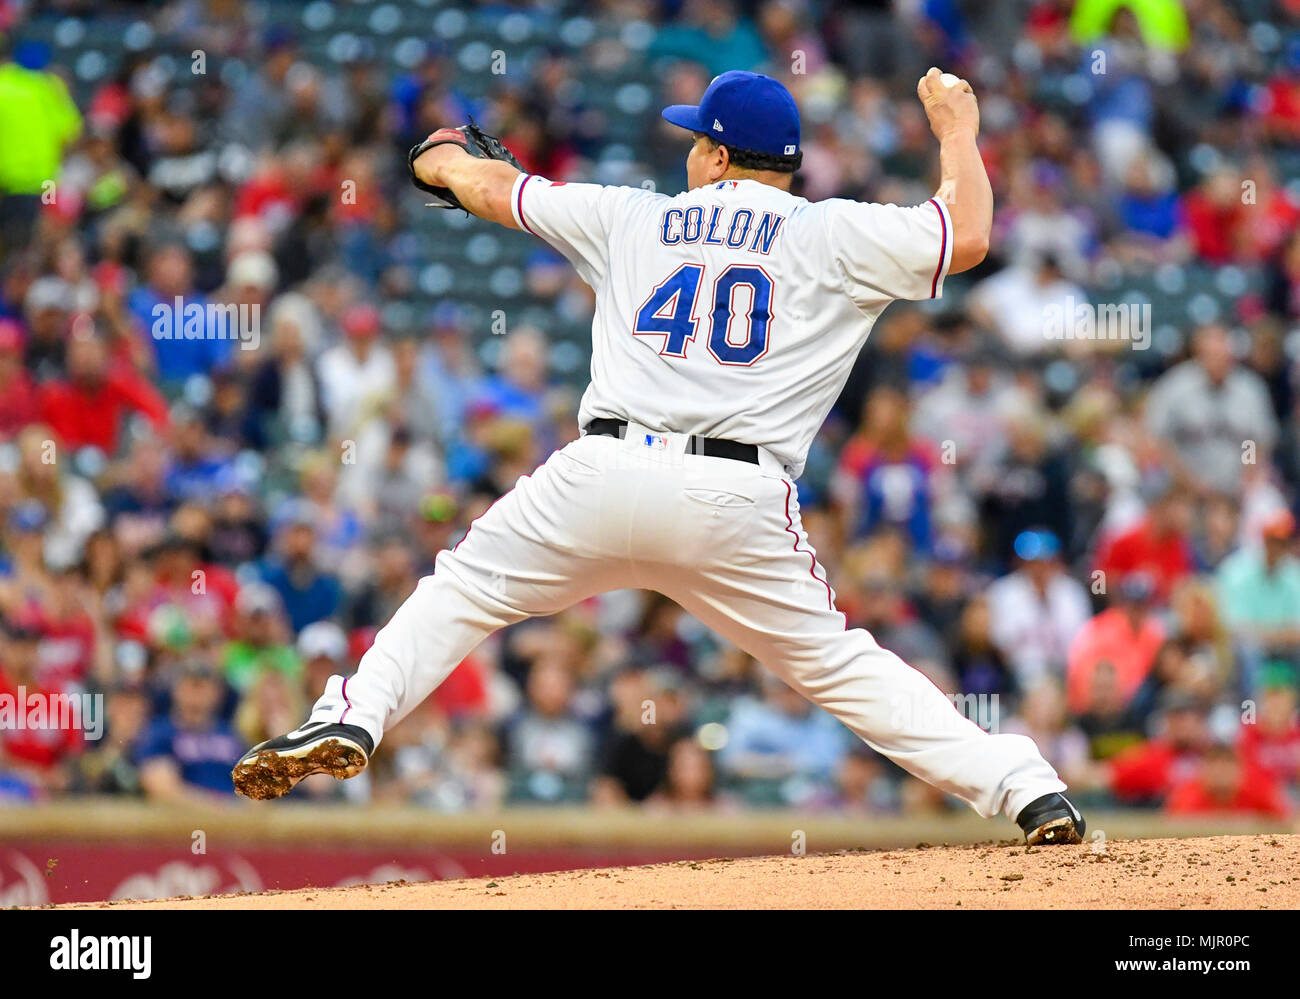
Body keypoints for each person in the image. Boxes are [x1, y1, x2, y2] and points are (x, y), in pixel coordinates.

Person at [234, 69, 1086, 845]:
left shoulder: (632, 215)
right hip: (735, 495)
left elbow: (490, 187)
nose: (689, 155)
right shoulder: (836, 234)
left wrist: (442, 159)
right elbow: (967, 233)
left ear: (717, 154)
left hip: (603, 471)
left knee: (463, 587)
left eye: (695, 141)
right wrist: (955, 129)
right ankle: (1024, 789)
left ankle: (352, 714)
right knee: (838, 664)